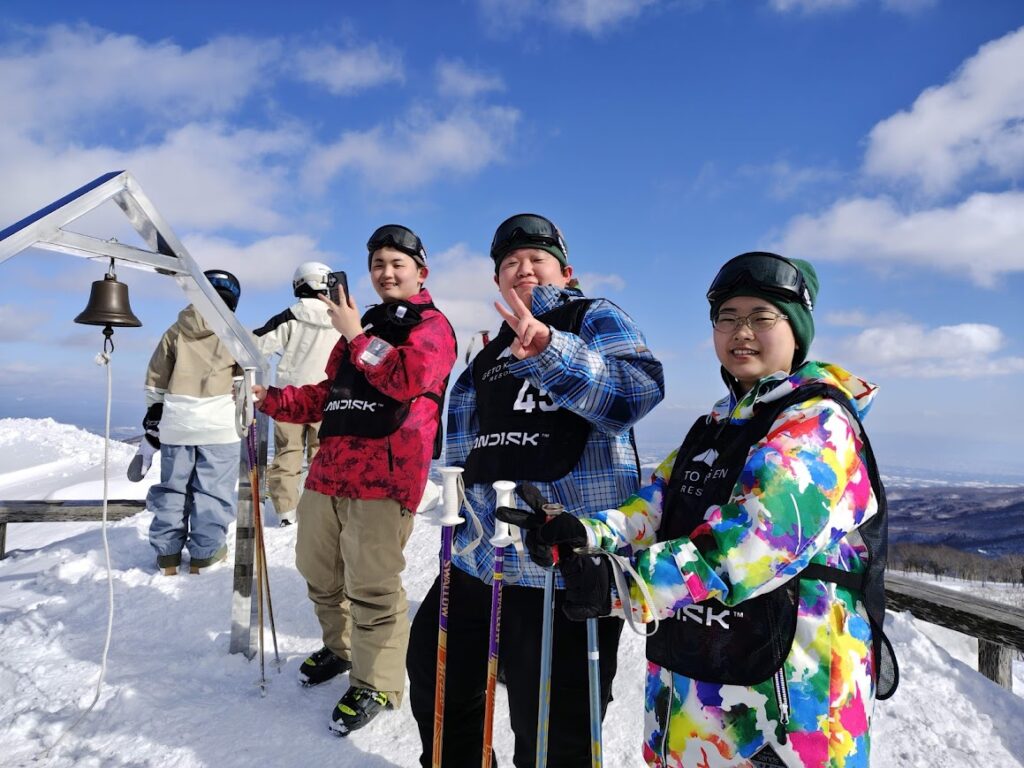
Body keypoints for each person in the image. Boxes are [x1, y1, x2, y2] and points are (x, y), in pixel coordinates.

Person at [518, 252, 897, 768]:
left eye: (762, 316)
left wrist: (624, 585)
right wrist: (584, 532)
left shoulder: (818, 423)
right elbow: (655, 506)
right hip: (697, 704)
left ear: (797, 331)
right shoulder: (717, 425)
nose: (742, 332)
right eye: (727, 317)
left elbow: (752, 543)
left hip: (785, 720)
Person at [407, 213, 666, 767]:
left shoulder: (593, 317)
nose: (523, 268)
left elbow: (636, 393)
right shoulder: (487, 354)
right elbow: (467, 453)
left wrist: (551, 350)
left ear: (565, 272)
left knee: (552, 729)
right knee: (438, 683)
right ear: (497, 280)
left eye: (536, 259)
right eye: (510, 262)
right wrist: (458, 527)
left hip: (563, 567)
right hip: (481, 559)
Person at [253, 225, 456, 736]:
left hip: (384, 479)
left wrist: (354, 335)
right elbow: (328, 394)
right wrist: (270, 399)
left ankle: (377, 682)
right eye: (378, 265)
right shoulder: (363, 325)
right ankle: (341, 649)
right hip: (329, 472)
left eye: (397, 264)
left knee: (372, 586)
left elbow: (407, 378)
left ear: (421, 272)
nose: (386, 273)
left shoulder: (433, 326)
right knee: (318, 571)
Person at [141, 269, 244, 575]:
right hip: (220, 424)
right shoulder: (238, 334)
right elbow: (246, 381)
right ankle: (205, 554)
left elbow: (156, 378)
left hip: (178, 423)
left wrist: (154, 409)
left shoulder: (176, 330)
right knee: (213, 491)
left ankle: (167, 555)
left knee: (174, 489)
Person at [253, 262, 342, 526]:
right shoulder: (339, 317)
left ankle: (286, 512)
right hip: (328, 397)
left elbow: (258, 345)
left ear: (299, 283)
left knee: (287, 454)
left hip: (289, 398)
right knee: (321, 455)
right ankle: (320, 508)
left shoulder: (290, 315)